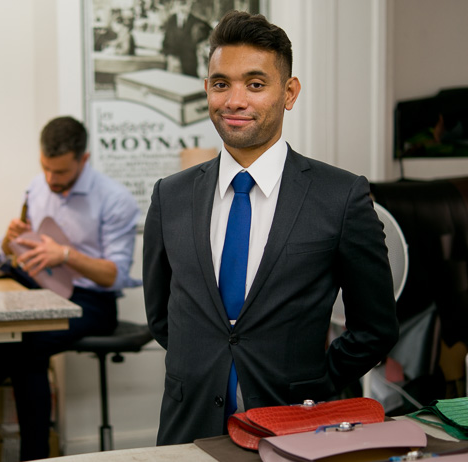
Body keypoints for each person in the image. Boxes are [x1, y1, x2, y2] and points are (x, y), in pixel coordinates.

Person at [142, 11, 400, 446]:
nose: (234, 100)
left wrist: (315, 380)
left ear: (289, 92)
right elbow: (161, 316)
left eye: (256, 84)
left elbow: (376, 329)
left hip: (296, 428)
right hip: (189, 429)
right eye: (221, 83)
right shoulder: (171, 195)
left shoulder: (339, 196)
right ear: (206, 89)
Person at [0, 116, 141, 461]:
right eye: (46, 169)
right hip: (41, 290)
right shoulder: (38, 186)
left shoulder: (115, 200)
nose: (51, 180)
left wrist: (66, 255)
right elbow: (17, 250)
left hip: (91, 301)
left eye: (61, 173)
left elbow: (113, 275)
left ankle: (32, 455)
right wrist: (9, 242)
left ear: (84, 159)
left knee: (23, 351)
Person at [162, 0, 212, 77]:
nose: (183, 7)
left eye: (185, 4)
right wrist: (170, 57)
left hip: (190, 66)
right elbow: (165, 42)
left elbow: (210, 33)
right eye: (180, 4)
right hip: (173, 65)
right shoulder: (171, 20)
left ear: (189, 5)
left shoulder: (197, 21)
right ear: (176, 5)